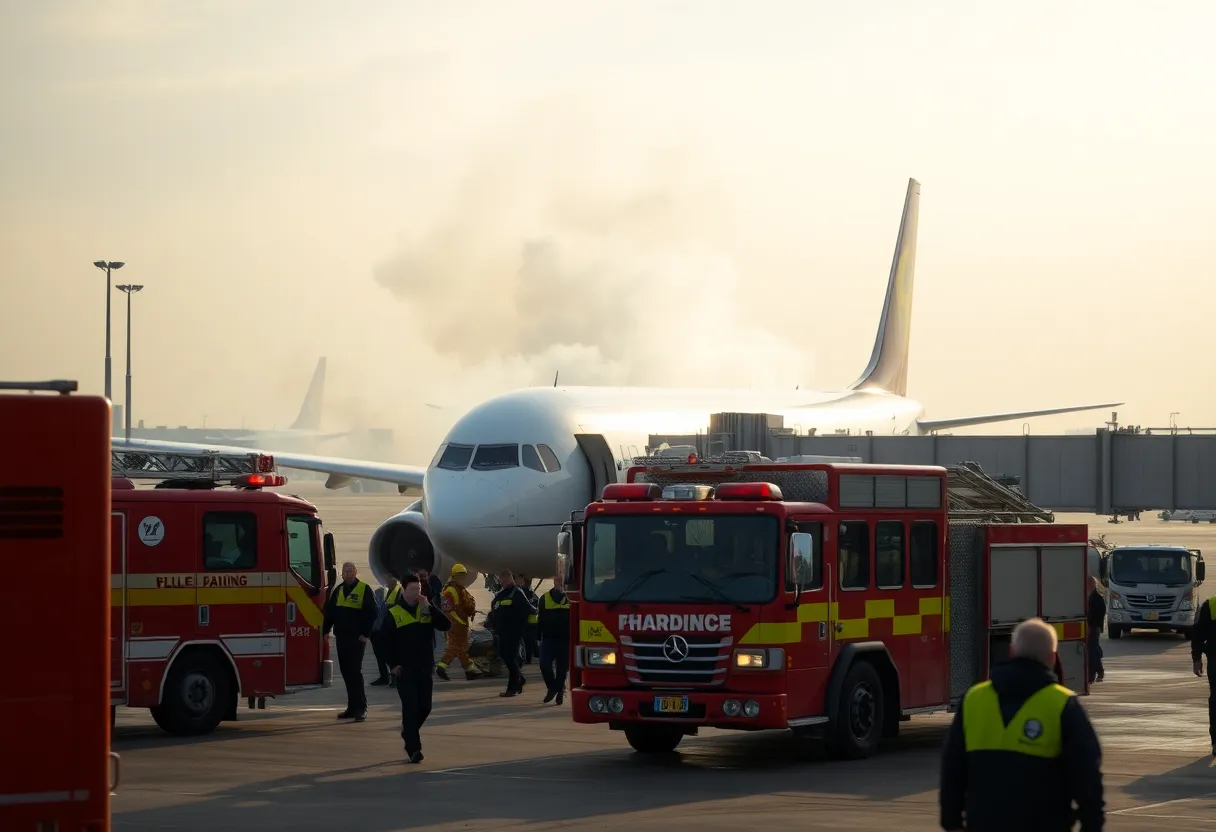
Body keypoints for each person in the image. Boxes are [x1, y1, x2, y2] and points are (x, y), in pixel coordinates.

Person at [940, 617, 1104, 832]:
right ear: (1053, 657)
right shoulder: (1063, 704)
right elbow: (1087, 778)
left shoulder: (974, 699)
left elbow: (952, 770)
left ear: (1011, 652)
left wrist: (951, 823)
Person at [387, 574, 451, 764]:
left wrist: (431, 608)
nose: (417, 593)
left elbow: (446, 625)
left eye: (419, 590)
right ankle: (414, 748)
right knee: (410, 707)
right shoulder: (394, 612)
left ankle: (408, 731)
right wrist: (392, 664)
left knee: (425, 707)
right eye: (413, 589)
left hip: (424, 667)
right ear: (404, 590)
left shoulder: (426, 610)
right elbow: (382, 640)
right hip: (404, 669)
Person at [322, 562, 377, 721]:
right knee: (346, 673)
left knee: (355, 672)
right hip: (342, 638)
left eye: (351, 570)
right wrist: (326, 631)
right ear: (342, 574)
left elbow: (372, 613)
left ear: (356, 572)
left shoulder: (364, 589)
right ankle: (352, 708)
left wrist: (365, 633)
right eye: (346, 571)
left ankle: (361, 707)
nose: (349, 573)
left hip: (356, 638)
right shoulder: (338, 590)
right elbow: (330, 612)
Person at [488, 569, 535, 697]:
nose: (502, 582)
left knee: (511, 658)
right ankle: (520, 679)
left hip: (513, 632)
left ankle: (512, 688)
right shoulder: (501, 594)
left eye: (504, 580)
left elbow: (529, 609)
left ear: (510, 579)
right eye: (501, 580)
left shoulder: (517, 593)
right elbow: (494, 609)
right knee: (505, 656)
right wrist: (491, 622)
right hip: (501, 632)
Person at [436, 563, 481, 681]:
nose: (464, 578)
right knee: (455, 646)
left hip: (452, 620)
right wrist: (461, 620)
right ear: (458, 576)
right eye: (462, 575)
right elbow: (458, 607)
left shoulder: (448, 589)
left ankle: (470, 670)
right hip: (458, 621)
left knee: (461, 647)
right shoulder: (456, 589)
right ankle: (441, 667)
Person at [537, 573, 571, 704]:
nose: (559, 582)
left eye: (562, 581)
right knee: (544, 664)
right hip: (548, 638)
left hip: (565, 639)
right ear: (554, 582)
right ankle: (553, 688)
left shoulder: (571, 598)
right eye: (557, 580)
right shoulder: (544, 598)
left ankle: (560, 692)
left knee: (562, 669)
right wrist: (537, 636)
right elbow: (540, 619)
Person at [1190, 592, 1216, 755]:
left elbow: (1198, 634)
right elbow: (1198, 634)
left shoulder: (1211, 605)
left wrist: (1197, 658)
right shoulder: (1211, 606)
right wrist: (1196, 658)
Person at [370, 573, 402, 687]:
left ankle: (395, 677)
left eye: (389, 577)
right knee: (380, 654)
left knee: (391, 654)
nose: (386, 579)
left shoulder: (399, 592)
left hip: (391, 629)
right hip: (380, 628)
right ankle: (384, 676)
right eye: (386, 577)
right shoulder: (385, 591)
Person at [1087, 576, 1106, 684]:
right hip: (1092, 626)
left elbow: (1099, 613)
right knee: (1093, 650)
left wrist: (1091, 624)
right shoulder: (1091, 596)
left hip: (1093, 627)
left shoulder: (1096, 597)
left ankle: (1094, 674)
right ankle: (1098, 672)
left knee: (1092, 650)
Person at [522, 579, 540, 664]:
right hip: (534, 622)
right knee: (533, 640)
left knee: (527, 642)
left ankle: (528, 658)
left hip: (525, 622)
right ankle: (536, 654)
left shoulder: (522, 595)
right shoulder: (534, 596)